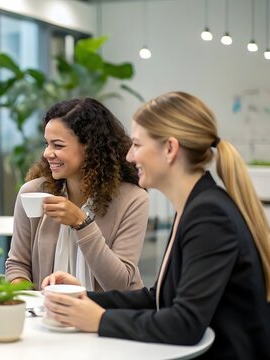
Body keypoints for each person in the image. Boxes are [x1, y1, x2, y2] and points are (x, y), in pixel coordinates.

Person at [43, 92, 270, 359]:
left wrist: (99, 320)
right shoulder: (195, 205)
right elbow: (160, 297)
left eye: (137, 145)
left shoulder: (209, 215)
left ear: (170, 149)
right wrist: (84, 298)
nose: (129, 156)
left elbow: (185, 325)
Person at [5, 98, 149, 291]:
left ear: (90, 148)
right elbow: (18, 266)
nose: (47, 153)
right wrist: (31, 301)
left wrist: (82, 223)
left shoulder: (133, 199)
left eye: (58, 145)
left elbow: (119, 285)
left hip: (108, 315)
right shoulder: (33, 193)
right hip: (48, 316)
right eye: (47, 144)